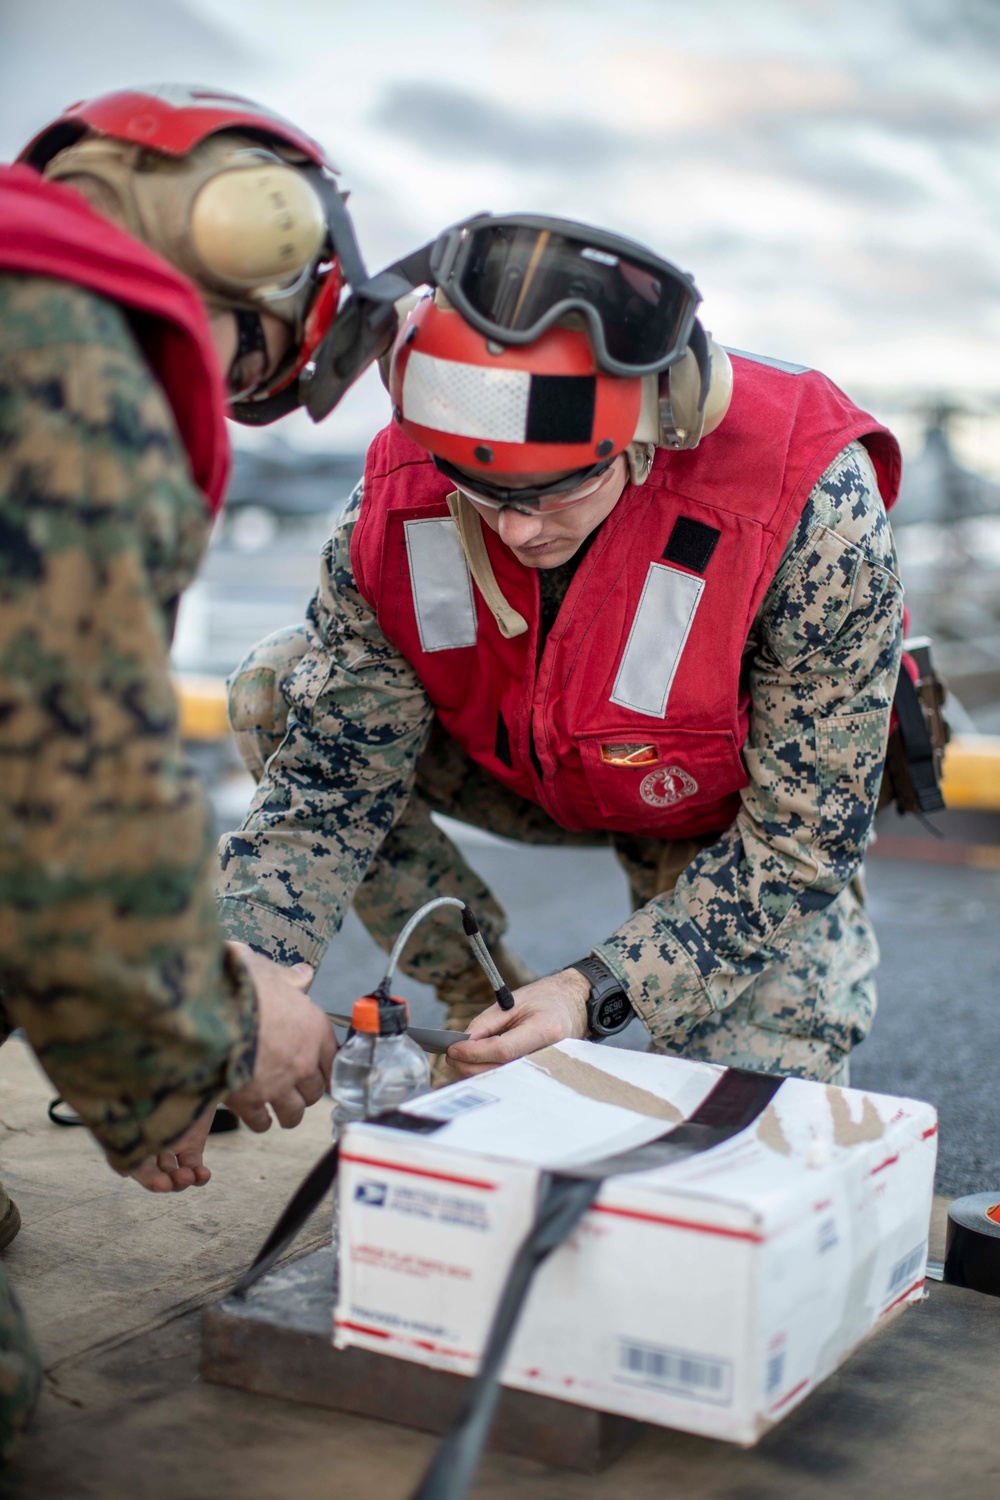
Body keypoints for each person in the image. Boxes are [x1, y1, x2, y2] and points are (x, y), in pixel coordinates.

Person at [216, 213, 903, 1096]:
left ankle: (570, 1012)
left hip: (727, 814)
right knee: (278, 686)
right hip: (517, 763)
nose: (517, 528)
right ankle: (480, 999)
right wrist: (250, 977)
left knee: (750, 1129)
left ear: (656, 423)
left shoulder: (808, 506)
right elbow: (330, 779)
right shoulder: (396, 503)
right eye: (485, 491)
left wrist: (594, 992)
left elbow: (807, 837)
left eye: (559, 490)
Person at [0, 83, 385, 1458]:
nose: (222, 393)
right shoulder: (61, 355)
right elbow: (60, 808)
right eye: (251, 356)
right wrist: (209, 1036)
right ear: (244, 235)